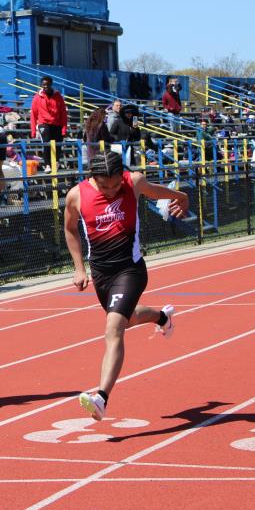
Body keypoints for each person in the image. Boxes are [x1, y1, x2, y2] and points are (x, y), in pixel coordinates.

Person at [63, 150, 189, 420]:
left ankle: (101, 398)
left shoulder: (134, 182)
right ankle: (162, 317)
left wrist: (182, 197)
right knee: (126, 319)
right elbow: (70, 229)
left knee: (113, 327)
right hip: (101, 275)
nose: (111, 191)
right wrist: (79, 268)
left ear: (122, 176)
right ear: (93, 178)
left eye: (115, 185)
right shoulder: (76, 195)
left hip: (130, 269)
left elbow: (161, 193)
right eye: (104, 186)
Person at [30, 76, 67, 143]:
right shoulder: (37, 97)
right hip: (43, 124)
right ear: (41, 85)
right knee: (47, 145)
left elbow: (63, 114)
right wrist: (33, 131)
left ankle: (55, 150)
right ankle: (47, 149)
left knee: (57, 147)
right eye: (44, 85)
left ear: (51, 84)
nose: (46, 86)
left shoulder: (58, 97)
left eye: (48, 84)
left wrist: (64, 129)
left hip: (57, 124)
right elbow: (33, 115)